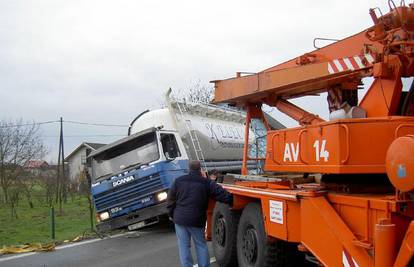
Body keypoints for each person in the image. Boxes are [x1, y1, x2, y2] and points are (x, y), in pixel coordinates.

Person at [167, 161, 233, 267]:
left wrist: (171, 214)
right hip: (196, 220)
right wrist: (231, 200)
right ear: (200, 169)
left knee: (184, 246)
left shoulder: (178, 181)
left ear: (189, 169)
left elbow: (170, 200)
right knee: (200, 245)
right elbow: (220, 194)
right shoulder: (206, 183)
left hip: (180, 219)